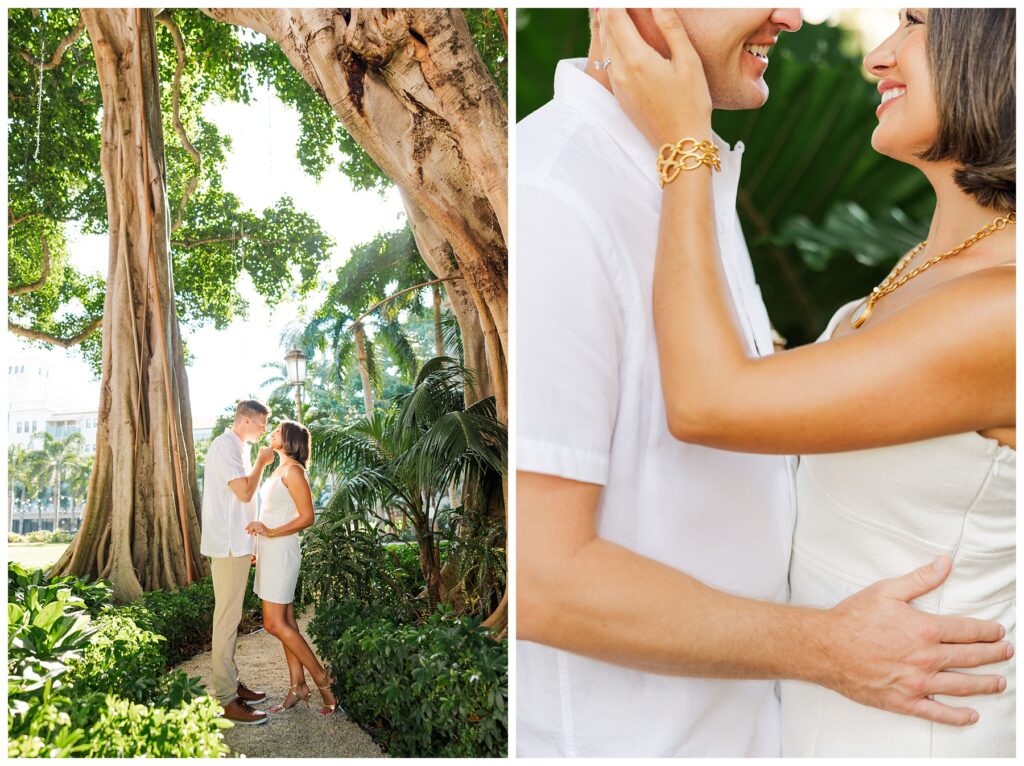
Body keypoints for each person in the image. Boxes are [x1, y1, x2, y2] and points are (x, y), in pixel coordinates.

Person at [516, 8, 1011, 757]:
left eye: (912, 25)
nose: (874, 54)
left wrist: (685, 151)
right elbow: (540, 574)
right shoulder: (564, 189)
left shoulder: (1001, 302)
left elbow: (716, 400)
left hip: (914, 725)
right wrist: (823, 648)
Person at [245, 420, 338, 716]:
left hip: (282, 551)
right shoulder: (279, 470)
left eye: (277, 431)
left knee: (274, 624)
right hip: (271, 552)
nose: (271, 433)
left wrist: (270, 534)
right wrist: (261, 546)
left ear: (289, 440)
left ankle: (323, 680)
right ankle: (298, 685)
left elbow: (307, 517)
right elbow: (273, 513)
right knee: (286, 622)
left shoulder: (295, 471)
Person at [200, 399, 274, 725]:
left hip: (238, 545)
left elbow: (243, 502)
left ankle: (230, 683)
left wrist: (251, 542)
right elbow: (244, 492)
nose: (264, 430)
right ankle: (226, 698)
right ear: (245, 420)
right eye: (261, 424)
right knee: (227, 618)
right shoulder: (224, 446)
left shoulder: (239, 449)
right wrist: (261, 463)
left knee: (232, 617)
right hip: (227, 547)